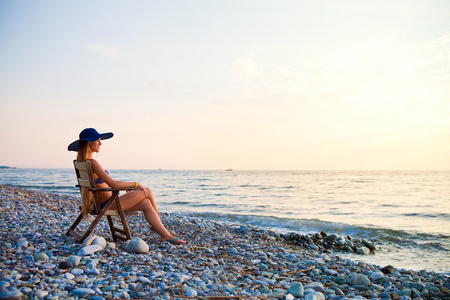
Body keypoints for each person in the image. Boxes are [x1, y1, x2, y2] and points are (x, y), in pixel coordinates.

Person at [68, 128, 185, 244]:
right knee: (147, 191)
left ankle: (164, 234)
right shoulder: (92, 162)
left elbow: (106, 182)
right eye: (97, 140)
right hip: (108, 204)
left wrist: (126, 185)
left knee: (146, 203)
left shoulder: (84, 162)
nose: (100, 143)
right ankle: (160, 228)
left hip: (102, 203)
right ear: (89, 142)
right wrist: (136, 184)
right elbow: (113, 184)